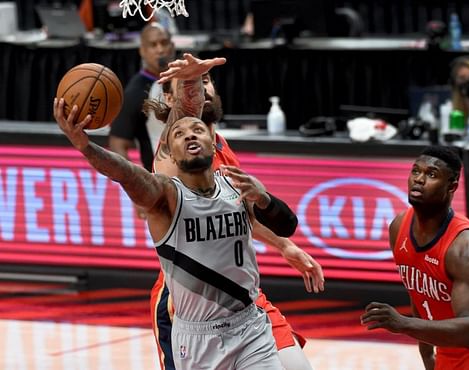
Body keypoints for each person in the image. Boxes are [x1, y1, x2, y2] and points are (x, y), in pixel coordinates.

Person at [54, 96, 299, 368]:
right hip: (198, 339)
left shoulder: (236, 185)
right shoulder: (166, 197)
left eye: (197, 129)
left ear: (212, 140)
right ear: (170, 154)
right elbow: (125, 172)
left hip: (250, 327)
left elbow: (287, 226)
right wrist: (86, 147)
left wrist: (264, 199)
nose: (189, 135)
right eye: (179, 134)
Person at [147, 54, 323, 370]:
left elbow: (240, 213)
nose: (204, 87)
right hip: (191, 302)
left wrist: (285, 245)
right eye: (193, 83)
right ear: (176, 98)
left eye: (206, 79)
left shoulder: (220, 146)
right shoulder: (171, 158)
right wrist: (189, 88)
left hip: (244, 299)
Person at [360, 145, 469, 370]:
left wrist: (403, 323)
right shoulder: (399, 227)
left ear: (451, 186)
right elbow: (419, 296)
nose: (419, 179)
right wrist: (427, 354)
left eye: (431, 174)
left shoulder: (467, 248)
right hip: (445, 346)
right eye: (416, 171)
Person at [109, 22, 176, 173]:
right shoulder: (136, 91)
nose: (160, 50)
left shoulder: (185, 80)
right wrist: (140, 183)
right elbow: (117, 145)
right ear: (142, 51)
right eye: (153, 45)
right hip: (163, 182)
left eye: (164, 43)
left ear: (172, 46)